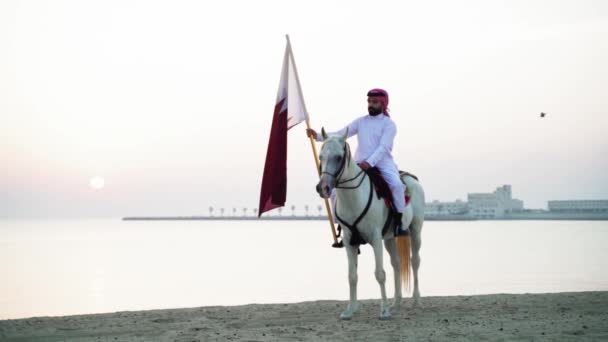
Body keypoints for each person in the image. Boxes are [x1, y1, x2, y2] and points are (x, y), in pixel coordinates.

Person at [306, 88, 408, 236]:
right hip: (359, 162)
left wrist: (370, 162)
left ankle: (400, 223)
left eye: (374, 102)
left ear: (383, 104)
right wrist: (318, 136)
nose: (370, 105)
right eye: (369, 102)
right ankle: (342, 225)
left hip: (383, 162)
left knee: (397, 186)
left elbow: (384, 147)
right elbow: (341, 134)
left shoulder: (389, 124)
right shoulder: (361, 121)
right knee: (335, 188)